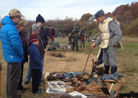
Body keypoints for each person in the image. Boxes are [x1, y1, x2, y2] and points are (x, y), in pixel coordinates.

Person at [0, 8, 24, 98]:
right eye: (19, 18)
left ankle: (13, 94)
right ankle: (12, 96)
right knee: (14, 78)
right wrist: (21, 53)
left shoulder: (5, 26)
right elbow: (15, 44)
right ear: (15, 17)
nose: (20, 19)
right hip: (14, 56)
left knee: (11, 78)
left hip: (10, 55)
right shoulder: (11, 28)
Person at [91, 9, 122, 74]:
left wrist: (113, 43)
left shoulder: (110, 22)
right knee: (105, 61)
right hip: (104, 45)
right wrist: (95, 43)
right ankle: (106, 75)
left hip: (111, 44)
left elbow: (119, 33)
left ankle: (113, 76)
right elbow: (102, 35)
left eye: (97, 18)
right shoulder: (101, 24)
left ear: (102, 16)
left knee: (112, 61)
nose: (97, 20)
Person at [24, 14, 45, 85]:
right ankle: (30, 80)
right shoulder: (32, 30)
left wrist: (44, 45)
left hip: (40, 51)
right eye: (42, 23)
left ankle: (37, 79)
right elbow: (28, 41)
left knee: (35, 66)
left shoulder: (41, 29)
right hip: (35, 52)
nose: (42, 24)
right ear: (38, 22)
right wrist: (30, 51)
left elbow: (43, 39)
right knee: (36, 66)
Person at [29, 23, 43, 94]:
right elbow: (36, 59)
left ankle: (35, 89)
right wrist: (41, 63)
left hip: (34, 66)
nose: (38, 42)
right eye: (37, 41)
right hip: (36, 67)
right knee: (35, 79)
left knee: (35, 79)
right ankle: (35, 90)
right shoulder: (34, 49)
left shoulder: (32, 47)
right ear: (35, 41)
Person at [16, 19, 28, 92]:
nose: (24, 27)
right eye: (23, 26)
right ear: (19, 25)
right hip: (19, 55)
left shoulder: (21, 33)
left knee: (21, 71)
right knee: (18, 72)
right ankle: (17, 86)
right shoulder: (16, 33)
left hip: (22, 54)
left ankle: (20, 86)